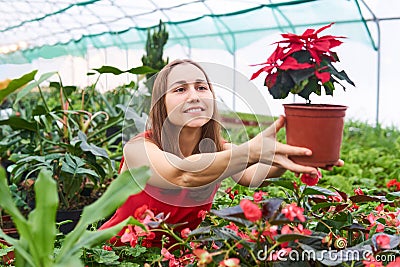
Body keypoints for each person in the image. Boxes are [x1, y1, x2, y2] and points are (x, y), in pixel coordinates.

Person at [99, 59, 343, 247]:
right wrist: (252, 150)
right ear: (161, 103)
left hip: (178, 255)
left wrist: (294, 156)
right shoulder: (139, 149)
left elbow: (252, 175)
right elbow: (180, 174)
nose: (194, 96)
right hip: (119, 254)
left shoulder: (220, 150)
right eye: (180, 90)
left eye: (201, 87)